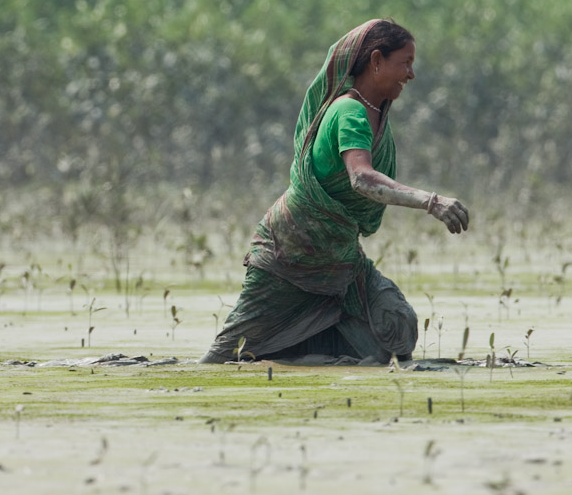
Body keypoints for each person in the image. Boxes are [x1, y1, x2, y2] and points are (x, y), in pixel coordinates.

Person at [200, 19, 469, 364]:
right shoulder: (348, 111)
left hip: (338, 256)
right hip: (291, 253)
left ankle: (300, 362)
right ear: (375, 61)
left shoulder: (377, 116)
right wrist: (431, 202)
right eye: (404, 63)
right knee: (223, 357)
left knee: (396, 325)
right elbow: (362, 178)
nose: (411, 74)